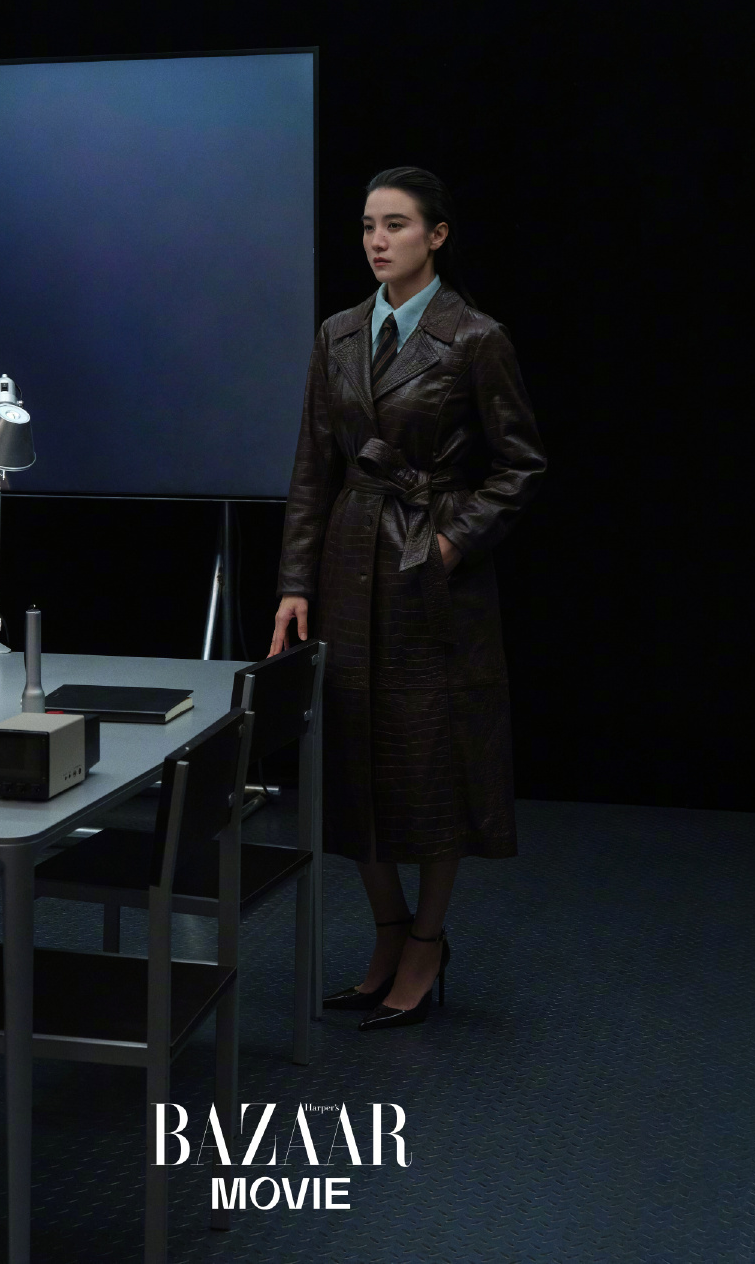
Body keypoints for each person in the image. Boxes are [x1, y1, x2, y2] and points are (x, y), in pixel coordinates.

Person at [272, 166, 547, 1031]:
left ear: (437, 235)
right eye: (367, 226)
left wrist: (450, 542)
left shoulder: (475, 337)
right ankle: (387, 930)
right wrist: (293, 583)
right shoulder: (338, 333)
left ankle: (427, 941)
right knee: (351, 754)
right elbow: (313, 468)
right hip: (348, 561)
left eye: (395, 224)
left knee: (430, 759)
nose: (377, 240)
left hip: (432, 575)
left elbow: (521, 465)